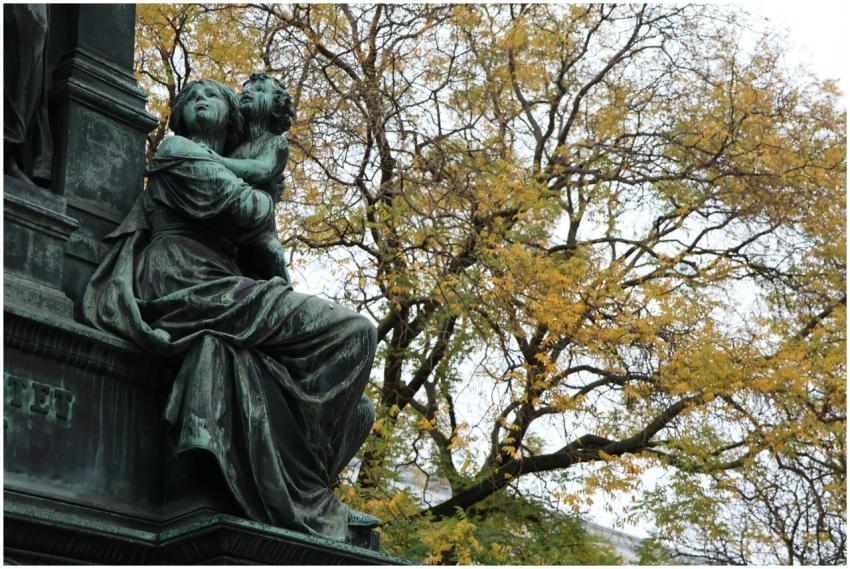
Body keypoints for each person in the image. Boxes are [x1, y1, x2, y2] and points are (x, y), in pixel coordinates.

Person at [83, 79, 379, 541]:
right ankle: (311, 496)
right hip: (182, 280)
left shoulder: (247, 156)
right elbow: (250, 210)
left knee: (359, 406)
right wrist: (262, 200)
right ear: (180, 116)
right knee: (355, 333)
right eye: (190, 97)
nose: (199, 99)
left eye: (212, 95)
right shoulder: (177, 150)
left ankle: (311, 489)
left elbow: (269, 253)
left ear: (232, 117)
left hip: (221, 284)